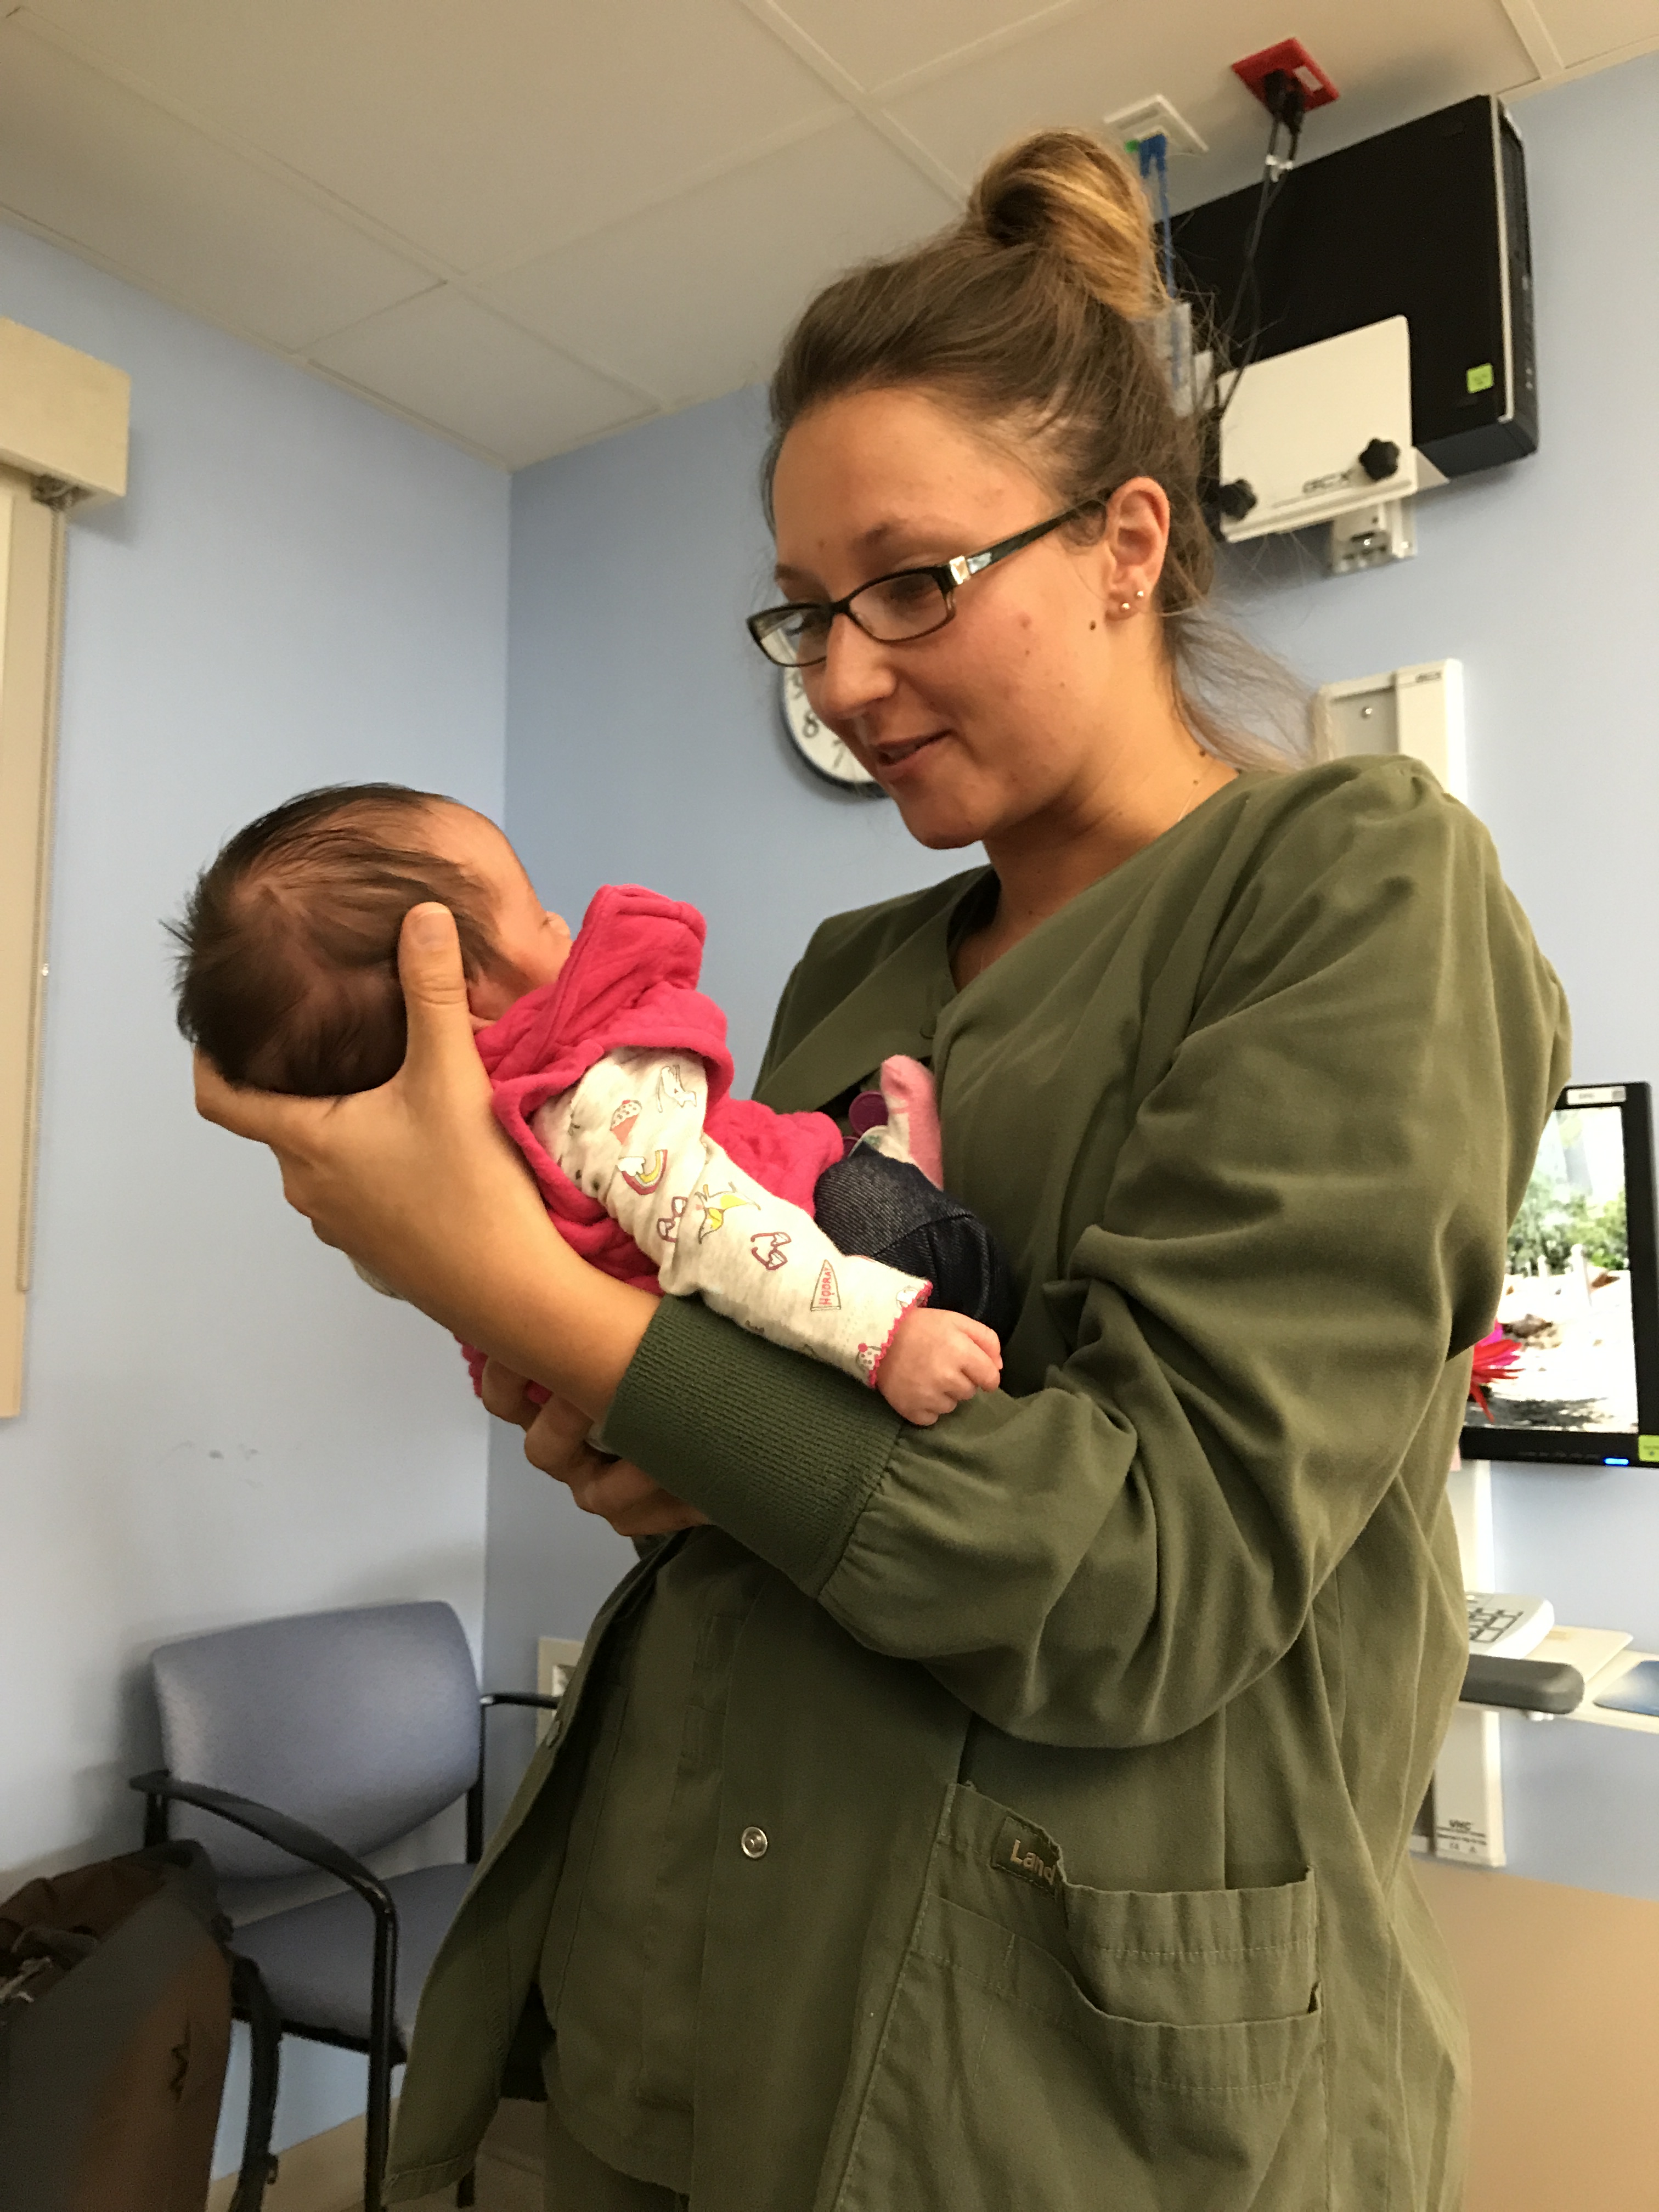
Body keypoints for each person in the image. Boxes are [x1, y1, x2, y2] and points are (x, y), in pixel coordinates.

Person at [194, 126, 1570, 2212]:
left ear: (1125, 545)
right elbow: (743, 1414)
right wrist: (621, 1428)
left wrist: (504, 1281)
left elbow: (1143, 1582)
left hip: (1046, 2091)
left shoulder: (1356, 888)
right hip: (680, 1969)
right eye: (806, 616)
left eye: (914, 584)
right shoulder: (859, 964)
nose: (841, 678)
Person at [169, 784, 1011, 1424]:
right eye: (534, 912)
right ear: (461, 987)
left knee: (793, 1148)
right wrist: (885, 1338)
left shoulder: (419, 1176)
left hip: (616, 1392)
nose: (561, 925)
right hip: (834, 1299)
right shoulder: (586, 1095)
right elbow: (714, 1229)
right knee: (865, 1197)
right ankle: (902, 1179)